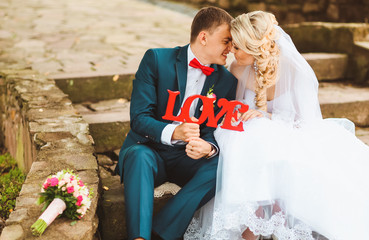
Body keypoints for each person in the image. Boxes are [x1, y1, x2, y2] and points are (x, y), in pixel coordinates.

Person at [184, 11, 369, 240]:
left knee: (268, 142)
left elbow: (307, 124)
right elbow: (231, 109)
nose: (231, 50)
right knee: (253, 140)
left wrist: (267, 118)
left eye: (238, 46)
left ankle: (262, 226)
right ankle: (248, 228)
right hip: (248, 139)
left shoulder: (294, 71)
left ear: (254, 47)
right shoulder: (236, 68)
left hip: (291, 136)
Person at [115, 6, 238, 240]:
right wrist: (174, 132)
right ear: (204, 37)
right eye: (226, 41)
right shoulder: (156, 59)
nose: (230, 49)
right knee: (138, 156)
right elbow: (139, 118)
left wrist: (208, 147)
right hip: (150, 150)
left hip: (188, 160)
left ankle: (161, 232)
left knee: (222, 167)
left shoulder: (226, 81)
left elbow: (216, 130)